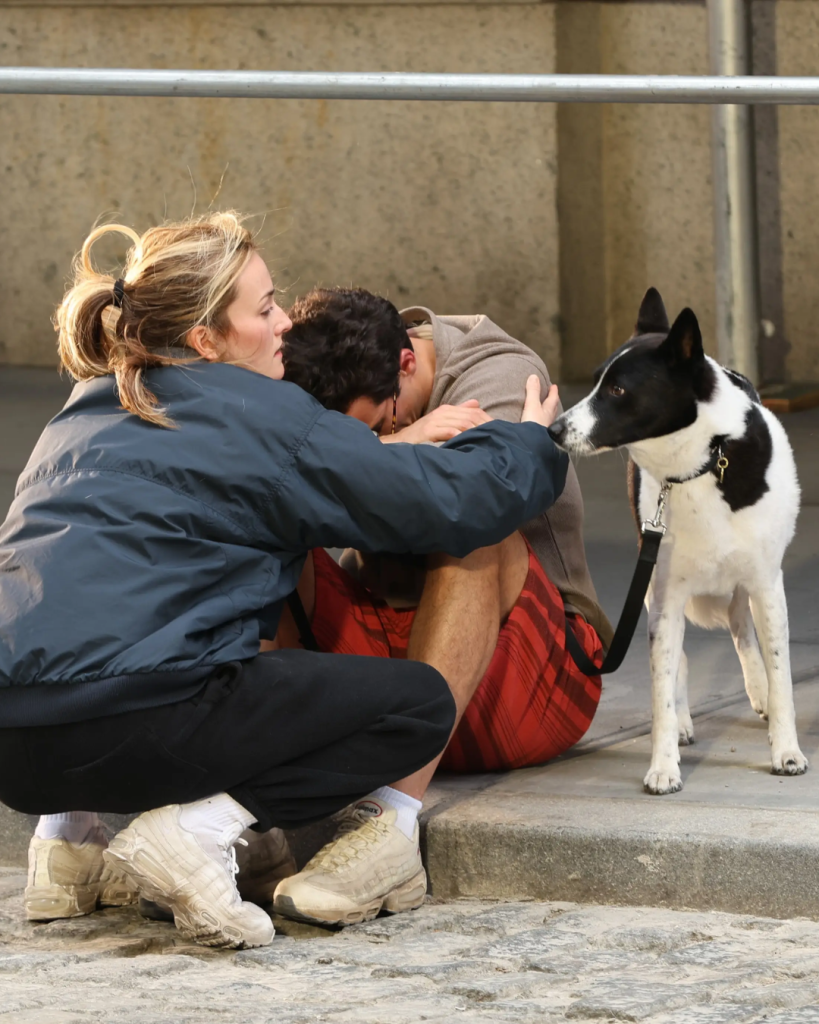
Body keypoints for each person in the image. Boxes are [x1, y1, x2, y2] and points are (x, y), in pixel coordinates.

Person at [0, 214, 566, 948]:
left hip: (18, 754)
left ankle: (65, 850)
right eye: (264, 309)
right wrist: (525, 441)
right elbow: (441, 504)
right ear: (207, 341)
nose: (283, 329)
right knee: (413, 706)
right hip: (141, 722)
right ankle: (201, 830)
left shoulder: (84, 410)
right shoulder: (260, 414)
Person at [271, 287, 613, 925]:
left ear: (407, 365)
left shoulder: (503, 376)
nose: (379, 436)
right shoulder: (339, 368)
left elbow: (465, 500)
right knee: (264, 534)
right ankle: (246, 813)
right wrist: (396, 447)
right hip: (394, 658)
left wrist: (356, 466)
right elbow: (281, 489)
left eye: (379, 424)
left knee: (477, 523)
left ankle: (391, 829)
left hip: (528, 672)